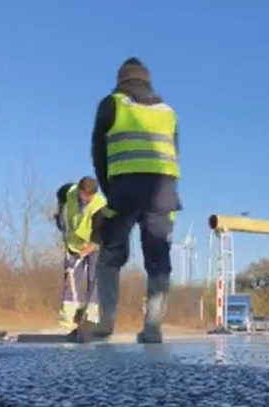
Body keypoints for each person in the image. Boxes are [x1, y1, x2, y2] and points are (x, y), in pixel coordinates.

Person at [90, 57, 182, 343]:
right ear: (147, 80)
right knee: (158, 258)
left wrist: (110, 193)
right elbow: (173, 154)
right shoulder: (168, 111)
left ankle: (105, 323)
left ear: (120, 80)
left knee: (111, 253)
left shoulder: (112, 103)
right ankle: (153, 328)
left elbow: (99, 153)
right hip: (162, 191)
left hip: (125, 186)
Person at [53, 176, 106, 341]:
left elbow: (101, 232)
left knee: (93, 280)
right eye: (86, 196)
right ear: (80, 191)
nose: (88, 200)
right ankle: (67, 323)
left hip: (93, 244)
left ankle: (91, 321)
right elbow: (60, 194)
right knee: (71, 281)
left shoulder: (99, 205)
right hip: (73, 244)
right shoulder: (69, 191)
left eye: (91, 197)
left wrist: (91, 246)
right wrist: (60, 212)